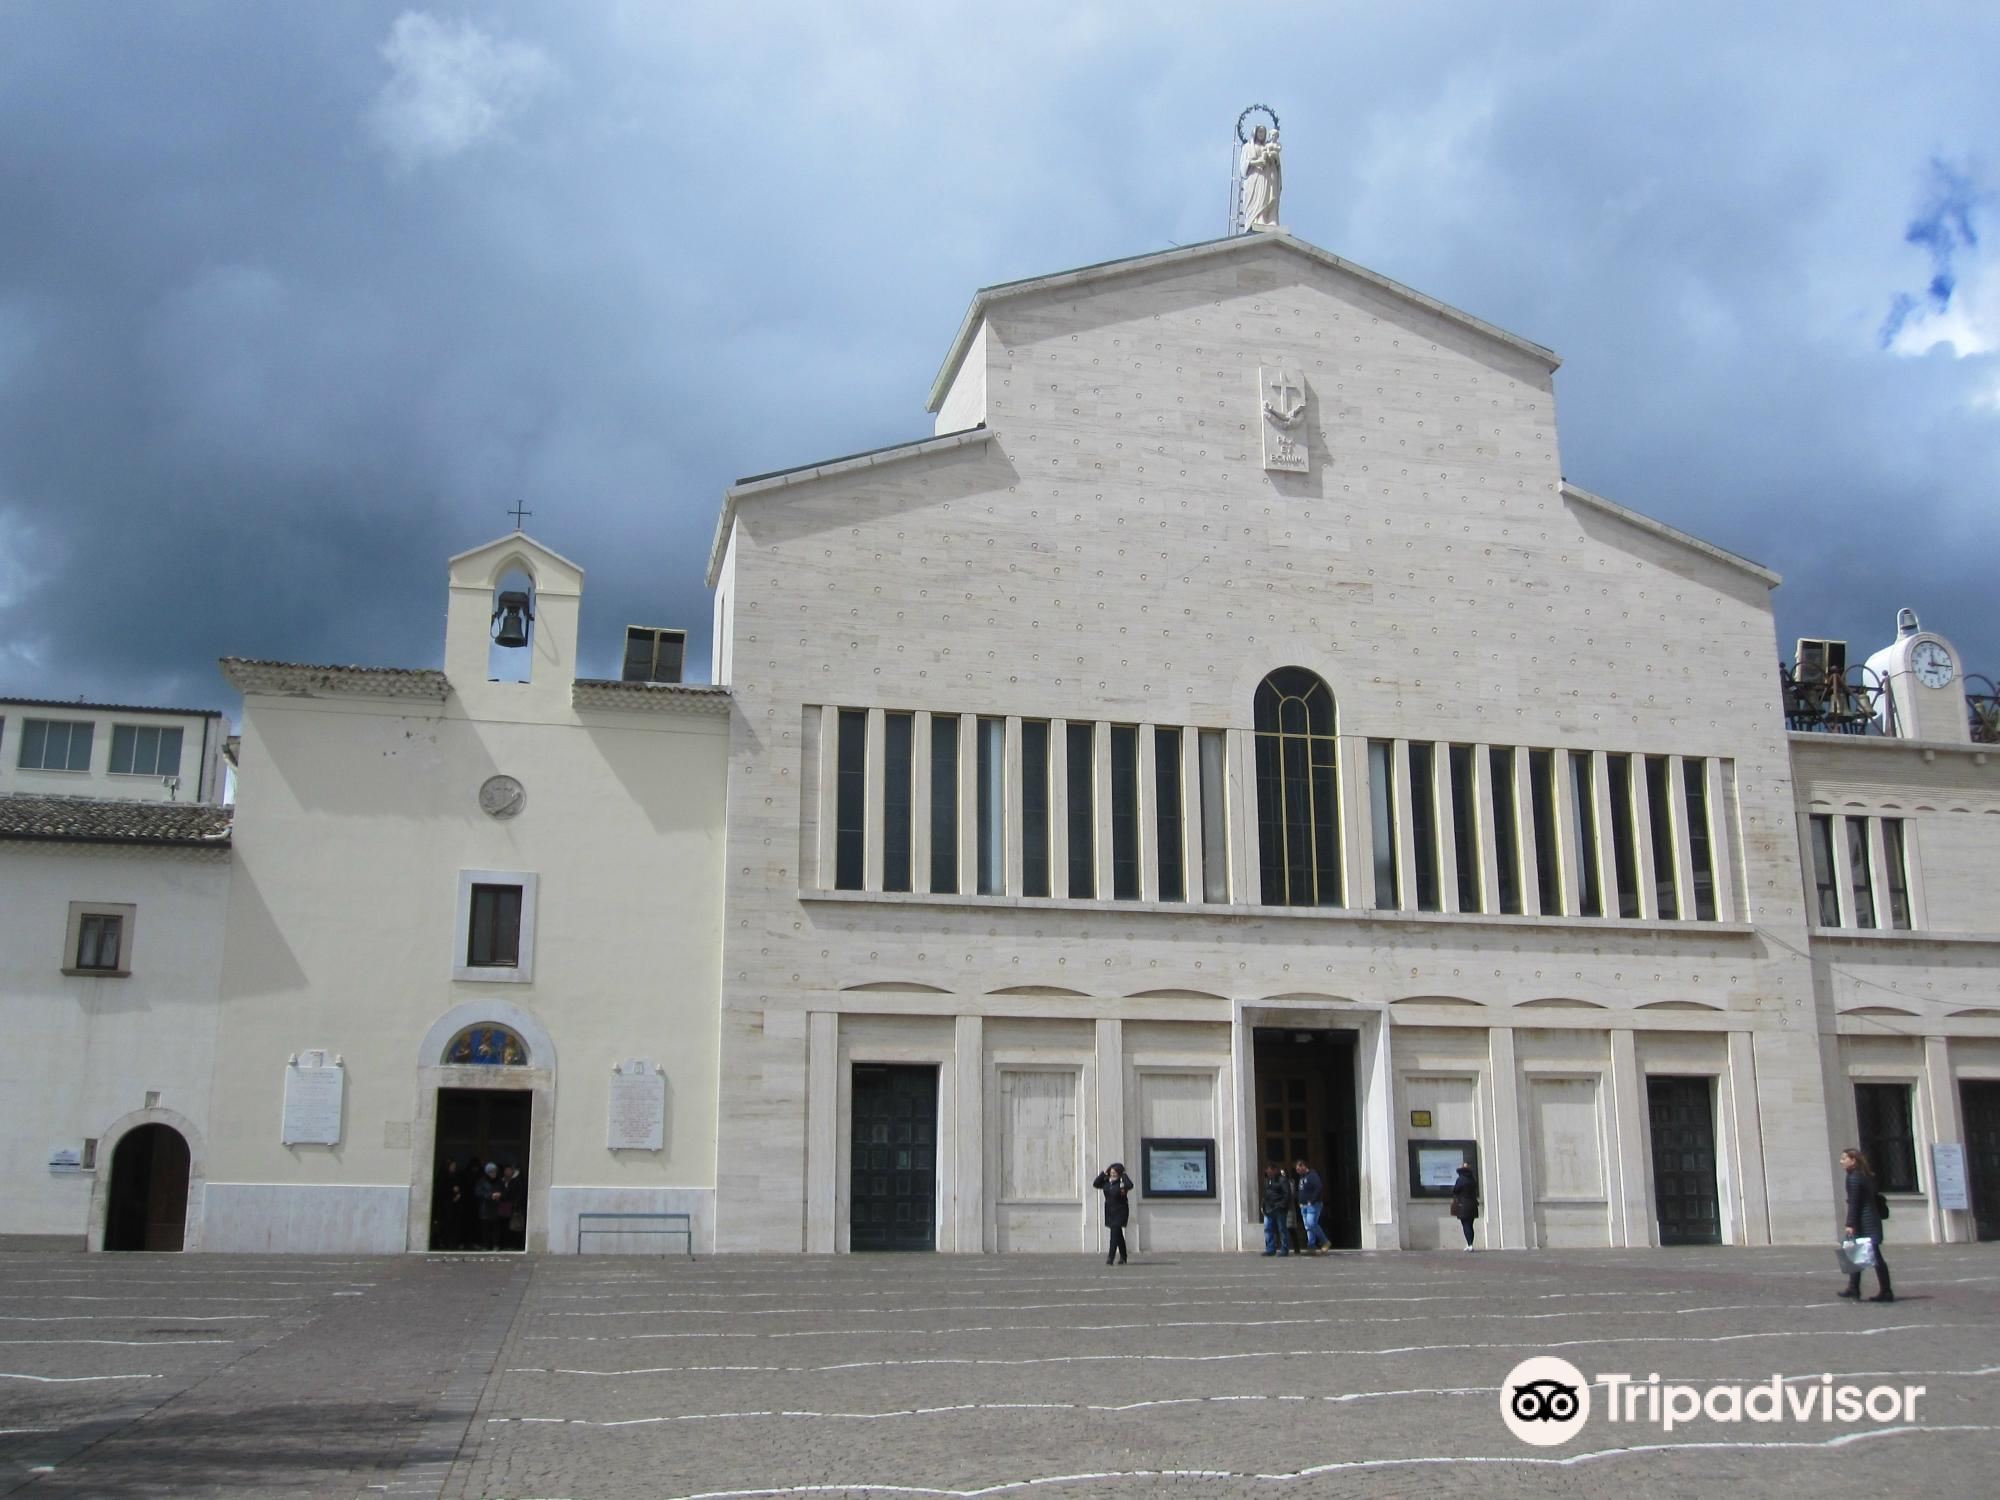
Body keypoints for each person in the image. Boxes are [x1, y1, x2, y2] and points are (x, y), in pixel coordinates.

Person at [1839, 1147, 1893, 1302]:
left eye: (1844, 1158)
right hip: (1870, 1220)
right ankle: (1853, 1288)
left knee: (1873, 1256)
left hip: (1865, 1222)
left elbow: (1855, 1203)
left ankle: (1885, 1291)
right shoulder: (1865, 1175)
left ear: (1853, 1160)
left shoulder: (1854, 1177)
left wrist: (1850, 1223)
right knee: (1857, 1253)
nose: (1841, 1162)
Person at [1241, 124, 1282, 231]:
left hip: (1268, 175)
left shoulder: (1267, 147)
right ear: (1255, 133)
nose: (1261, 134)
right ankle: (1259, 218)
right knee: (1257, 199)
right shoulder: (1247, 147)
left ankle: (1270, 218)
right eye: (1259, 132)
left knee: (1270, 196)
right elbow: (1243, 166)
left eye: (1263, 132)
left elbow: (1277, 163)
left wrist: (1275, 158)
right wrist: (1256, 162)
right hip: (1255, 177)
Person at [1091, 1162, 1133, 1265]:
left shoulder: (1122, 1184)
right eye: (1111, 1172)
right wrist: (1103, 1174)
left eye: (1115, 1172)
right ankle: (1123, 1256)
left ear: (1119, 1173)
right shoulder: (1107, 1183)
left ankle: (1110, 1257)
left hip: (1120, 1211)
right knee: (1118, 1235)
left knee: (1114, 1235)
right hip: (1110, 1212)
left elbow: (1130, 1185)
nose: (1113, 1174)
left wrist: (1124, 1175)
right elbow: (1096, 1184)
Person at [1294, 1160, 1330, 1254]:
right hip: (1303, 1205)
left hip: (1313, 1205)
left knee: (1311, 1223)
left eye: (1298, 1169)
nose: (1297, 1171)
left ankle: (1325, 1241)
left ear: (1303, 1166)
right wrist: (1300, 1202)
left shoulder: (1312, 1175)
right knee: (1308, 1227)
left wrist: (1312, 1200)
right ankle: (1311, 1246)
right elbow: (1301, 1190)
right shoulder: (1302, 1177)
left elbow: (1319, 1187)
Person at [1260, 1163, 1296, 1256]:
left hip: (1279, 1208)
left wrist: (1281, 1205)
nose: (1268, 1173)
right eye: (1267, 1171)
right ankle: (1270, 1249)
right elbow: (1265, 1194)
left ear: (1275, 1170)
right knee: (1268, 1228)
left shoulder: (1282, 1180)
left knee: (1282, 1229)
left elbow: (1287, 1194)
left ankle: (1284, 1249)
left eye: (1269, 1171)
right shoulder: (1267, 1180)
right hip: (1268, 1208)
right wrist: (1263, 1205)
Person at [1449, 1163, 1480, 1251]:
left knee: (1465, 1224)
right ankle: (1470, 1243)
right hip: (1473, 1204)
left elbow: (1455, 1190)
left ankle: (1470, 1244)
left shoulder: (1461, 1179)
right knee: (1470, 1225)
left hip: (1463, 1204)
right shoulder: (1473, 1179)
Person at [476, 1161, 505, 1250]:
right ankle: (486, 1245)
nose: (493, 1174)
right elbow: (478, 1192)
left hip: (496, 1208)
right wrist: (489, 1195)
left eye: (495, 1171)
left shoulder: (499, 1181)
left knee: (496, 1229)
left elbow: (505, 1192)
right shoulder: (482, 1181)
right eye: (491, 1172)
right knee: (485, 1229)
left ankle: (496, 1245)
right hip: (485, 1208)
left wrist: (500, 1195)